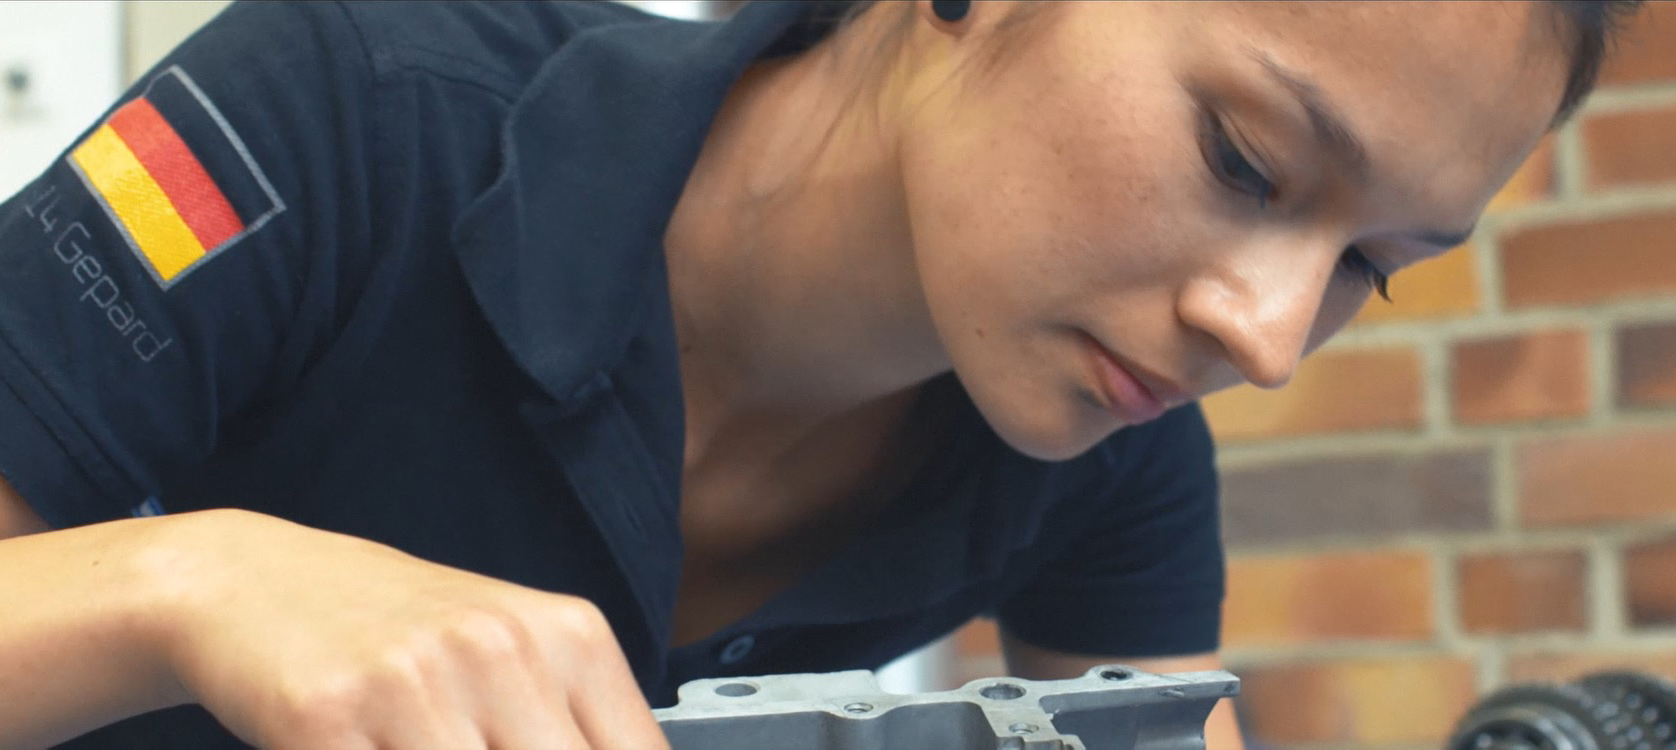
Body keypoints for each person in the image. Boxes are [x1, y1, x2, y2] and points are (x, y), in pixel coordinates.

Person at [0, 0, 1642, 747]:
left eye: (1372, 265)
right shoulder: (339, 114)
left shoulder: (1109, 444)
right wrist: (193, 583)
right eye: (1245, 157)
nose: (1269, 342)